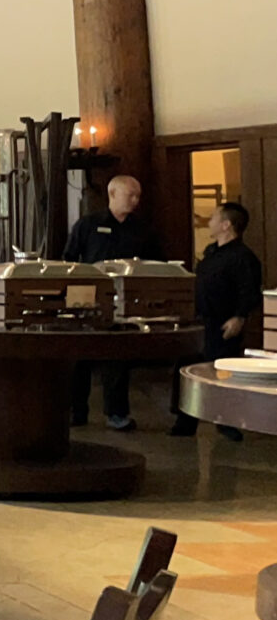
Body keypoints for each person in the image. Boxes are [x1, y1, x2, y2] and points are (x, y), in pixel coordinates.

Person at [65, 173, 162, 430]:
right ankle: (76, 411)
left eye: (138, 196)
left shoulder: (142, 229)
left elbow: (156, 264)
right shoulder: (88, 225)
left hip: (125, 300)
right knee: (79, 358)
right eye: (130, 194)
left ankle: (116, 413)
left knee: (117, 358)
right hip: (87, 298)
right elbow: (69, 260)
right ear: (112, 194)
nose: (135, 200)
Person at [172, 202, 263, 440]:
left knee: (221, 373)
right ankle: (185, 420)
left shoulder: (243, 257)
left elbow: (250, 291)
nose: (208, 221)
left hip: (223, 324)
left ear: (226, 225)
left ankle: (226, 421)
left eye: (214, 218)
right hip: (200, 320)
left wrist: (239, 317)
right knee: (188, 369)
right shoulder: (212, 252)